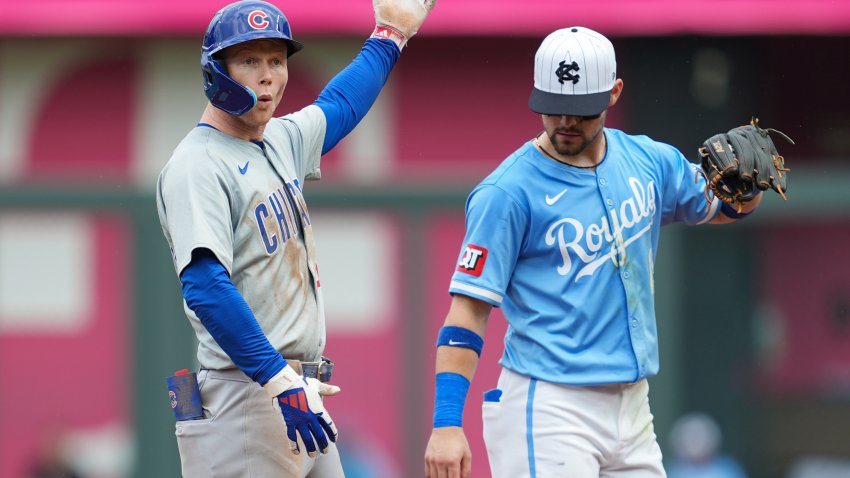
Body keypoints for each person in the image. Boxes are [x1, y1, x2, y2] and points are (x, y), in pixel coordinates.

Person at [424, 26, 776, 478]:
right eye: (552, 107)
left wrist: (750, 189)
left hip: (632, 407)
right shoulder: (507, 193)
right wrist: (447, 423)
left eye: (579, 110)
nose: (564, 122)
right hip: (550, 406)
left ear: (614, 93)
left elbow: (725, 207)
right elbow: (467, 311)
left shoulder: (649, 161)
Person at [155, 0, 435, 476]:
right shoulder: (195, 165)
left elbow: (340, 105)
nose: (268, 75)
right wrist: (279, 381)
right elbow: (204, 286)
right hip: (245, 397)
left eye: (276, 60)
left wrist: (389, 35)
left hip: (298, 391)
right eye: (249, 60)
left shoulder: (277, 139)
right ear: (216, 71)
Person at [666, 413, 748, 478]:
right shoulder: (671, 472)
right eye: (689, 436)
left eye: (699, 436)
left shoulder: (728, 471)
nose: (694, 442)